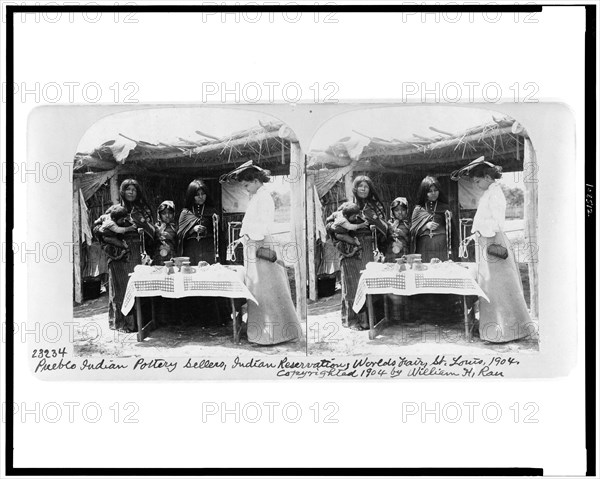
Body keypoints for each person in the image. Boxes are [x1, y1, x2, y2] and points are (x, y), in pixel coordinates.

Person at [225, 161, 301, 345]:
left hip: (259, 244)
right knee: (258, 289)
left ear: (257, 180)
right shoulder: (257, 197)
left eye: (246, 184)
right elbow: (251, 223)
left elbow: (264, 224)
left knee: (265, 289)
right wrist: (242, 238)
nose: (245, 189)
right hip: (253, 244)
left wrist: (249, 236)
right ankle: (266, 331)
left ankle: (273, 333)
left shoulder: (264, 197)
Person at [462, 159, 534, 343]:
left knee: (497, 286)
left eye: (477, 181)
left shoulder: (495, 194)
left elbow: (497, 223)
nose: (476, 185)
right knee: (489, 285)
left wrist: (479, 230)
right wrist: (476, 232)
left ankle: (506, 329)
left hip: (493, 241)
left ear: (487, 177)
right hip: (487, 239)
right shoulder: (489, 193)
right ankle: (494, 327)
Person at [103, 178, 155, 332]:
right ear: (122, 192)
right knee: (122, 287)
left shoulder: (143, 210)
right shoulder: (114, 210)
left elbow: (153, 232)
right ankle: (124, 323)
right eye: (128, 189)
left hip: (138, 253)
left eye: (134, 189)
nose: (131, 192)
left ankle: (141, 322)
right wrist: (115, 249)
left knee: (138, 286)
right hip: (120, 255)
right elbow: (102, 231)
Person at [410, 176, 456, 262]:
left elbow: (452, 231)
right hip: (424, 247)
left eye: (436, 190)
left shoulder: (445, 207)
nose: (434, 193)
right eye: (430, 191)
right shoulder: (418, 209)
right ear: (424, 192)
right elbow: (412, 232)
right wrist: (425, 226)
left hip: (441, 247)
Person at [178, 180, 218, 265]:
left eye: (203, 194)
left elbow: (218, 235)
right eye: (197, 195)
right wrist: (192, 230)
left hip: (208, 250)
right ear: (192, 196)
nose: (201, 197)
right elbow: (179, 235)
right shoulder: (185, 213)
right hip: (191, 250)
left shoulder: (212, 211)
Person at [153, 200, 178, 265]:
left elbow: (180, 244)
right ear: (159, 214)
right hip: (158, 257)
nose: (167, 215)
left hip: (173, 257)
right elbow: (151, 243)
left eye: (170, 213)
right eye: (164, 213)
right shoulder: (155, 227)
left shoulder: (176, 227)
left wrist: (170, 238)